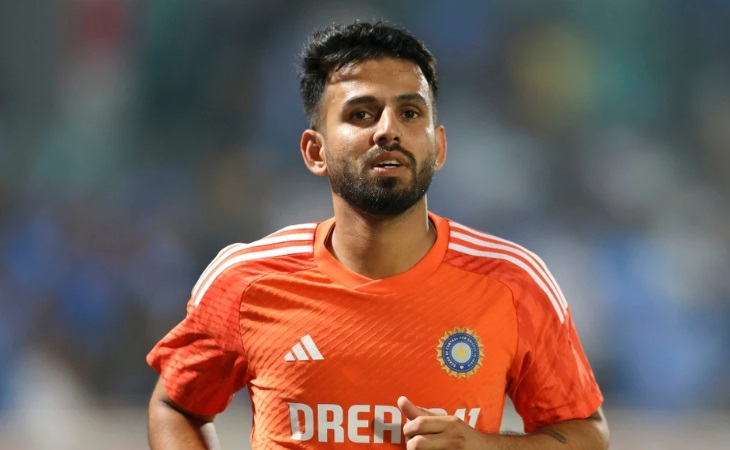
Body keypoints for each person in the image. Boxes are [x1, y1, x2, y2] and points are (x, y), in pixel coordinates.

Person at [146, 20, 609, 450]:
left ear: (438, 146)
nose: (389, 130)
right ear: (315, 151)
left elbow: (585, 433)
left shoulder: (513, 281)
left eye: (410, 112)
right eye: (362, 114)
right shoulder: (246, 279)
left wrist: (486, 446)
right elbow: (175, 407)